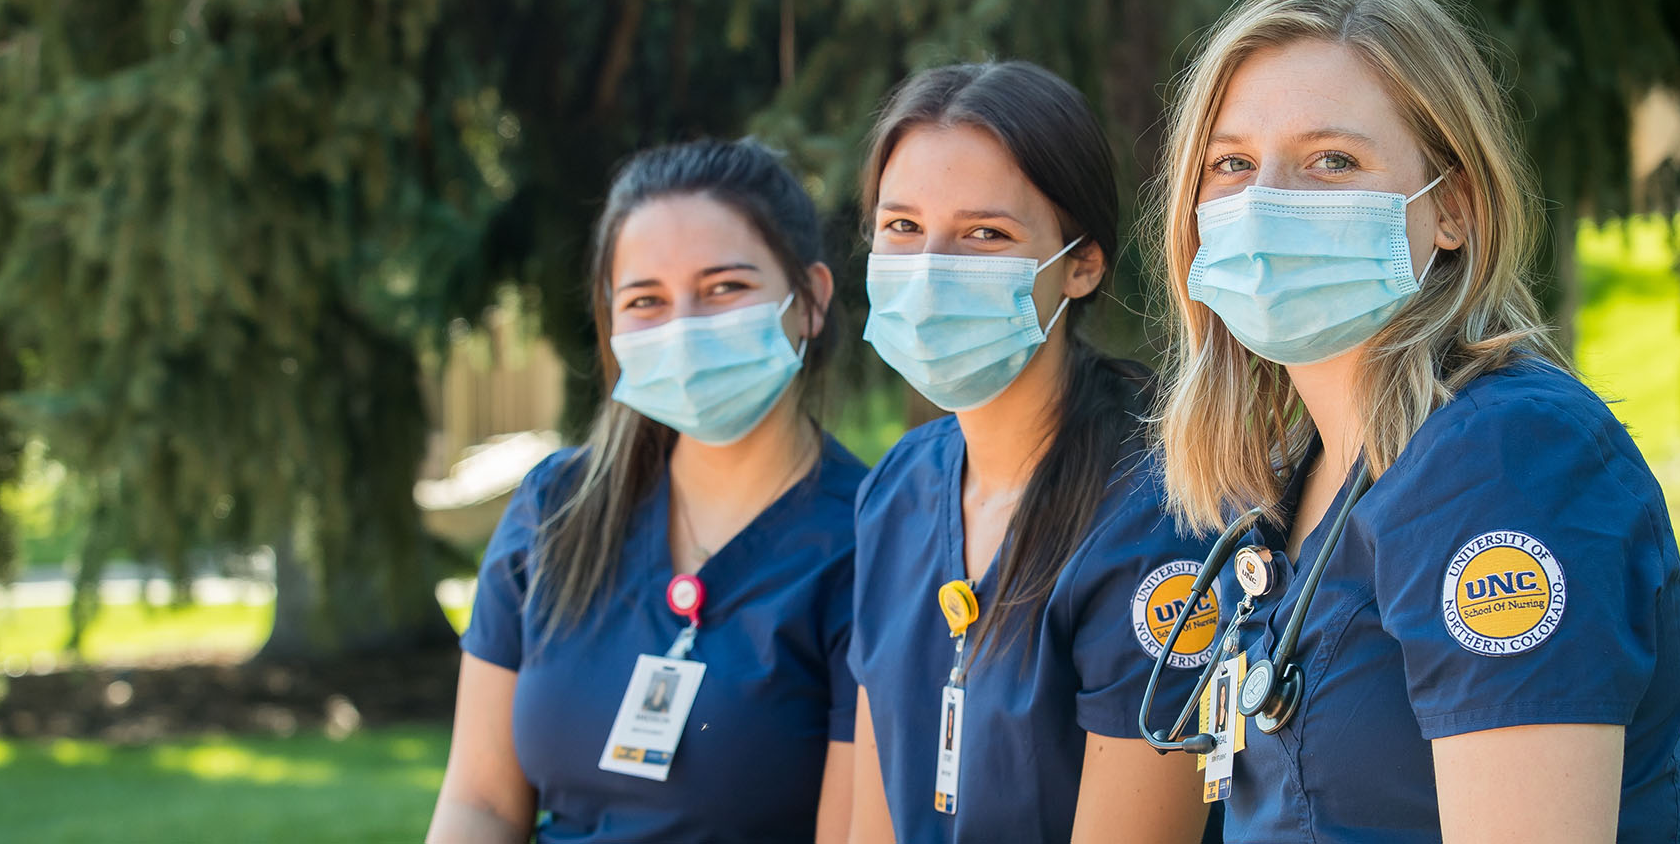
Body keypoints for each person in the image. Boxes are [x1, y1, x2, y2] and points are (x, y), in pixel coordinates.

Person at [1150, 0, 1680, 842]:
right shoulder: (1306, 478)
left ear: (1453, 206)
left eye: (1333, 160)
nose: (1266, 200)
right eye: (1232, 163)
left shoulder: (1509, 459)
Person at [428, 140, 862, 844]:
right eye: (646, 300)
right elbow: (480, 801)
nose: (683, 328)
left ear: (810, 299)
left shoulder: (869, 541)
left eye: (724, 287)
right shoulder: (554, 510)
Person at [847, 61, 1219, 844]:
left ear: (1081, 264)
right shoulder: (895, 491)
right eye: (902, 227)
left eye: (985, 233)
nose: (930, 271)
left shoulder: (1157, 514)